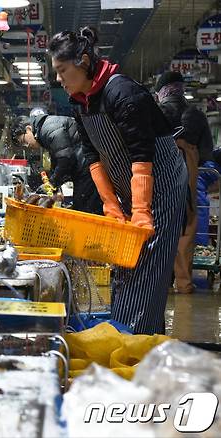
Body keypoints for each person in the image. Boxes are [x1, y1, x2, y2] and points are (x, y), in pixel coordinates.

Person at [49, 27, 188, 335]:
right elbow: (94, 159)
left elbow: (142, 153)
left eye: (62, 70)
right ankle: (129, 337)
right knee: (125, 263)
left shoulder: (121, 92)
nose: (58, 79)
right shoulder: (81, 102)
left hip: (160, 184)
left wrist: (141, 211)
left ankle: (134, 344)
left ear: (83, 61)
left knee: (147, 265)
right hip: (131, 188)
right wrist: (112, 205)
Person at [155, 71, 214, 294]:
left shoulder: (157, 112)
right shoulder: (196, 115)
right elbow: (207, 153)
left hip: (160, 173)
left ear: (162, 91)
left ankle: (161, 284)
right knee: (186, 228)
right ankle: (184, 284)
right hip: (188, 173)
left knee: (160, 226)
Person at [10, 114, 103, 214]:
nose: (27, 146)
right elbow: (59, 160)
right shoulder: (44, 132)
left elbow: (65, 158)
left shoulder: (49, 128)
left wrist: (52, 183)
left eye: (24, 142)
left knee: (86, 209)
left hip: (88, 167)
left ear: (28, 129)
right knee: (83, 206)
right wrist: (53, 187)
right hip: (85, 167)